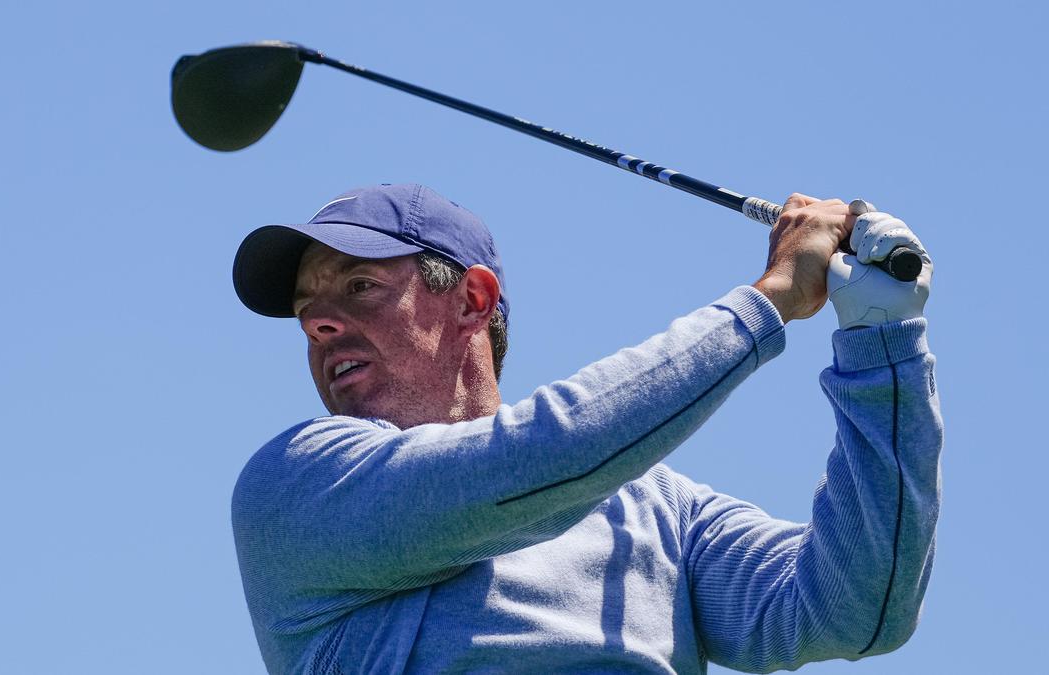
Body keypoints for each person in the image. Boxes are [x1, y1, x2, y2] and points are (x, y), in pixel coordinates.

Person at [229, 183, 940, 673]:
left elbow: (859, 610)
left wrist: (883, 343)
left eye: (360, 286)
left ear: (473, 300)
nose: (319, 324)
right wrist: (771, 299)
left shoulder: (661, 509)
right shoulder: (297, 484)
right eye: (308, 311)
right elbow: (541, 461)